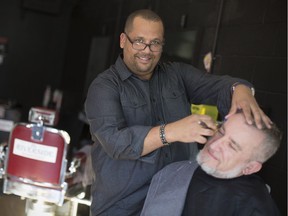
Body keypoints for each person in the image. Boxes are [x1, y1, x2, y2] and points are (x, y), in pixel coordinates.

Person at [84, 9, 273, 215]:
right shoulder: (104, 87)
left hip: (173, 200)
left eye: (155, 43)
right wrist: (173, 131)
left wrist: (240, 89)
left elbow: (217, 86)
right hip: (121, 206)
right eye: (139, 41)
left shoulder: (177, 74)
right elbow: (116, 143)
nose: (147, 50)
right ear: (123, 40)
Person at [140, 111, 282, 216]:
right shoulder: (174, 170)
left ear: (250, 167)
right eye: (221, 131)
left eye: (232, 146)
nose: (213, 145)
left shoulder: (255, 208)